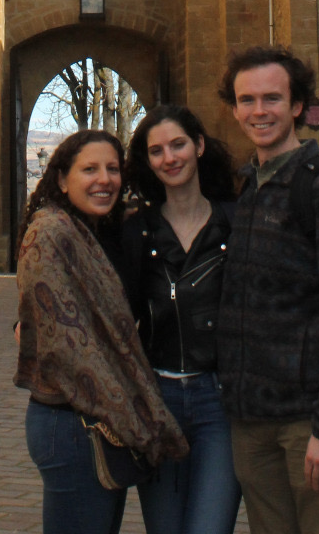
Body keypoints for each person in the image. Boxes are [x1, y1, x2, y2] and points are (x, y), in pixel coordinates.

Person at [216, 45, 319, 534]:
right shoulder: (250, 190)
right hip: (252, 424)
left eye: (271, 98)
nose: (258, 111)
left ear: (296, 107)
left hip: (309, 425)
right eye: (247, 100)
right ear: (234, 108)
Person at [16, 128, 188, 534]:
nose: (104, 179)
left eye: (113, 169)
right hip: (75, 425)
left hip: (96, 423)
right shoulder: (51, 231)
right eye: (89, 169)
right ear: (61, 178)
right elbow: (68, 344)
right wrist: (137, 418)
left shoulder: (93, 234)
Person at [123, 105, 242, 534]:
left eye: (177, 145)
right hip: (159, 403)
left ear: (199, 146)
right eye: (156, 151)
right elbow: (107, 304)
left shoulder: (236, 222)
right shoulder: (136, 232)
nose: (169, 158)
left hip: (220, 404)